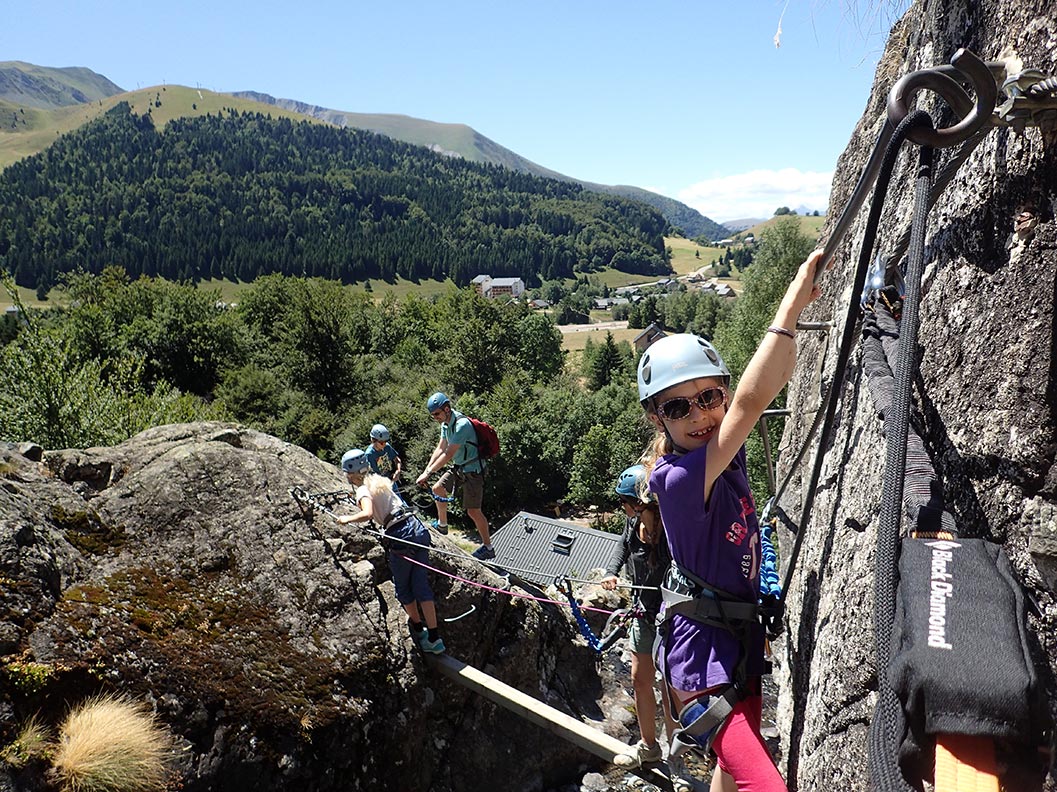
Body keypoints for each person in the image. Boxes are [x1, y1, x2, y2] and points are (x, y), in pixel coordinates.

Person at [638, 250, 824, 792]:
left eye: (707, 397)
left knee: (728, 774)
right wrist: (791, 302)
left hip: (736, 647)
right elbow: (753, 400)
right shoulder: (674, 481)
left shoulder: (723, 454)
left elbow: (773, 384)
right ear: (657, 418)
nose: (699, 416)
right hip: (705, 667)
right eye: (678, 408)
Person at [601, 465, 691, 792]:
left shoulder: (670, 530)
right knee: (641, 680)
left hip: (670, 619)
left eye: (626, 501)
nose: (623, 507)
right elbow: (620, 549)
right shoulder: (632, 524)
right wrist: (612, 573)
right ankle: (649, 747)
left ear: (639, 502)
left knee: (670, 692)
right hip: (642, 614)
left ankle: (677, 761)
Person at [337, 448, 445, 654]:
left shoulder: (362, 490)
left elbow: (367, 513)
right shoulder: (379, 481)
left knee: (403, 589)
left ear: (350, 474)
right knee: (421, 586)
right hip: (417, 529)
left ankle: (419, 630)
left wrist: (347, 519)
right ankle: (435, 638)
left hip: (400, 536)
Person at [415, 392, 493, 560]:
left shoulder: (461, 425)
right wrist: (426, 470)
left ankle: (488, 547)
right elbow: (440, 449)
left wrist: (428, 473)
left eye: (437, 413)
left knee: (473, 511)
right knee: (438, 488)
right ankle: (443, 526)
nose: (435, 417)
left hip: (473, 471)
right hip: (460, 467)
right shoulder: (445, 424)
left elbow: (448, 454)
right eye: (432, 415)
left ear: (447, 409)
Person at [364, 423, 403, 490]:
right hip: (380, 485)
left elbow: (397, 459)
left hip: (391, 481)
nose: (384, 444)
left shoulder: (387, 447)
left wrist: (398, 470)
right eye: (382, 442)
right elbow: (372, 475)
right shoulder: (369, 455)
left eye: (385, 441)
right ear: (374, 440)